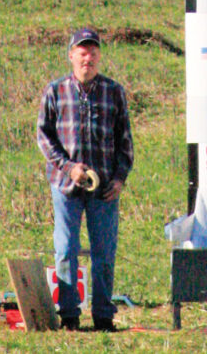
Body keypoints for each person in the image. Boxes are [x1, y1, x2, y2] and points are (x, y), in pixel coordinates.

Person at [36, 28, 130, 332]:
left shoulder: (114, 92)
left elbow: (125, 140)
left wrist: (119, 179)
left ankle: (103, 315)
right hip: (66, 186)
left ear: (99, 56)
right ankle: (69, 315)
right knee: (66, 249)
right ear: (71, 56)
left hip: (104, 189)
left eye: (92, 52)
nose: (87, 58)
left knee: (104, 251)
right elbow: (44, 136)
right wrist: (68, 167)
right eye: (82, 52)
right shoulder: (55, 91)